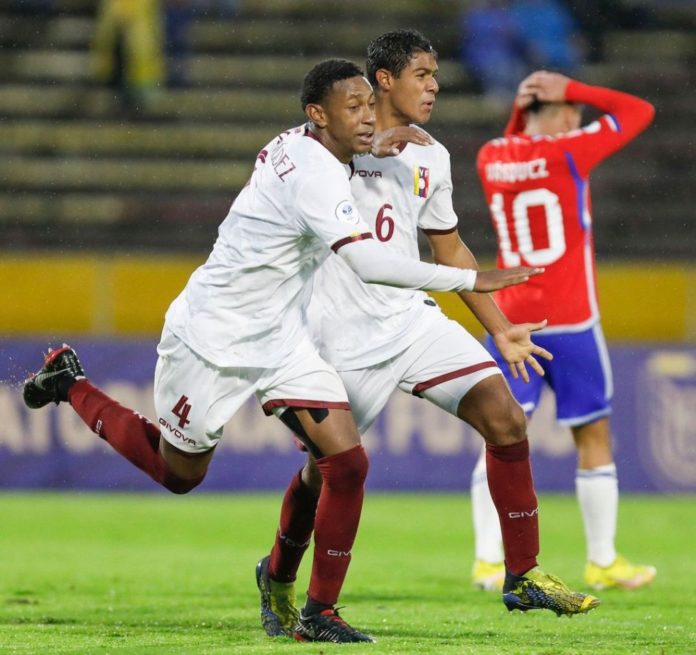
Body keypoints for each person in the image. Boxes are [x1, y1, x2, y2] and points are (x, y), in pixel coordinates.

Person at [22, 59, 538, 644]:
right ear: (317, 115)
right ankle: (70, 382)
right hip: (212, 335)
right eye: (354, 108)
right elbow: (367, 261)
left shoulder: (312, 144)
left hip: (282, 336)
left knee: (346, 463)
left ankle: (320, 613)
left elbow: (347, 152)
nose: (368, 116)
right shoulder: (314, 174)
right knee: (179, 472)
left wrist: (376, 140)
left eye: (370, 105)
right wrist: (471, 281)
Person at [254, 31, 601, 641]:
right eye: (421, 73)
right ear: (383, 80)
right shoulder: (326, 144)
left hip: (409, 320)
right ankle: (284, 580)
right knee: (325, 472)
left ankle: (522, 573)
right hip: (337, 333)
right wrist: (364, 148)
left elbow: (448, 248)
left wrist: (501, 327)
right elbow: (288, 173)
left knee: (506, 419)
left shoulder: (431, 156)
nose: (434, 85)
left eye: (436, 73)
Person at [471, 70, 656, 591]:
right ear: (558, 112)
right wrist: (578, 88)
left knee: (498, 435)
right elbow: (640, 110)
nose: (578, 116)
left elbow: (514, 138)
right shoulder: (568, 152)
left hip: (511, 320)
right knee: (593, 434)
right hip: (571, 320)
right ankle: (602, 559)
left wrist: (523, 105)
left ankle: (487, 560)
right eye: (572, 109)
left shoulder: (491, 157)